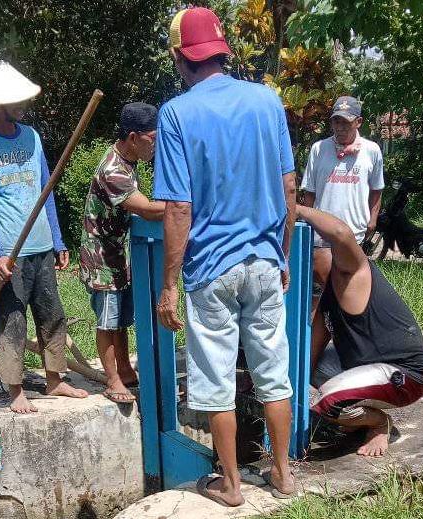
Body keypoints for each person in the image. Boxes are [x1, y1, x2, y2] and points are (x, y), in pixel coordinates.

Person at [154, 7, 297, 507]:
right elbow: (288, 187)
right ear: (223, 51)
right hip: (263, 262)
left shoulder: (176, 114)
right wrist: (281, 254)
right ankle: (281, 473)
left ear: (180, 58)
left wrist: (169, 285)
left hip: (210, 270)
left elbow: (177, 208)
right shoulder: (266, 101)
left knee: (215, 382)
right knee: (272, 371)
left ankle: (232, 485)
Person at [0, 60, 88, 414]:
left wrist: (59, 240)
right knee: (13, 319)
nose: (23, 106)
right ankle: (15, 387)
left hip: (41, 245)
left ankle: (54, 379)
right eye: (16, 100)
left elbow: (45, 191)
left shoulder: (32, 137)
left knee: (52, 313)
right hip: (10, 251)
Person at [296, 204, 423, 457]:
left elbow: (340, 231)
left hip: (405, 374)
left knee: (329, 402)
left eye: (316, 254)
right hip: (364, 366)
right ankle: (354, 413)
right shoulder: (328, 296)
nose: (311, 265)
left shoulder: (356, 273)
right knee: (302, 374)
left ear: (335, 255)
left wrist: (296, 209)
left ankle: (378, 423)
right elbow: (310, 352)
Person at [79, 102, 165, 404]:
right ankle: (113, 380)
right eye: (152, 138)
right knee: (107, 319)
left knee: (121, 317)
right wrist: (183, 209)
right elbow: (147, 210)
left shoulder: (128, 161)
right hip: (101, 257)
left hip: (119, 254)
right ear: (133, 137)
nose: (156, 143)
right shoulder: (112, 170)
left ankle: (126, 370)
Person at [300, 96, 384, 299]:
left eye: (346, 121)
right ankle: (319, 330)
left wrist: (372, 219)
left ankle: (344, 331)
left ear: (358, 122)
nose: (340, 127)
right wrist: (305, 226)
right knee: (320, 294)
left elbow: (377, 189)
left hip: (354, 234)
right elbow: (309, 192)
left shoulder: (372, 151)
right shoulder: (319, 149)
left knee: (349, 294)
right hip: (322, 236)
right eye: (336, 121)